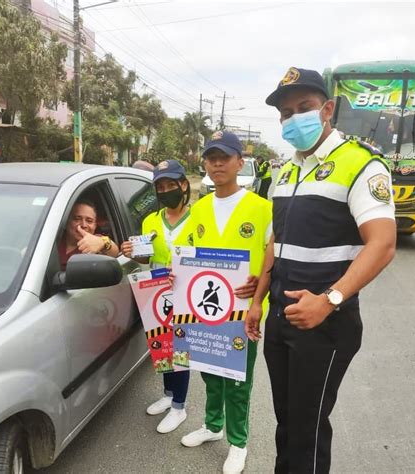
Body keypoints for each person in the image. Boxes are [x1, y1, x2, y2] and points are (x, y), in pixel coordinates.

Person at [245, 67, 396, 473]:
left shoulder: (361, 164)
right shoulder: (286, 170)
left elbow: (382, 244)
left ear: (327, 109)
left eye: (304, 108)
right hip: (280, 319)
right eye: (286, 113)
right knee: (286, 423)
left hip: (324, 324)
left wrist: (329, 301)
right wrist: (258, 299)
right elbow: (275, 242)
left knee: (307, 429)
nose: (294, 119)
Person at [176, 131, 273, 474]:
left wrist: (259, 291)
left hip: (241, 313)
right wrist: (177, 276)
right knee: (210, 375)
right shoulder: (199, 209)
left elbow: (273, 260)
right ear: (204, 163)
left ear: (239, 162)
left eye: (224, 157)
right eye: (211, 157)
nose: (217, 163)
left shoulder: (262, 209)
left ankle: (238, 442)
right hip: (203, 310)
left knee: (237, 381)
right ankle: (213, 426)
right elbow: (186, 256)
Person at [121, 159, 192, 434]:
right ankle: (168, 394)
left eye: (170, 185)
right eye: (160, 187)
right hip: (156, 291)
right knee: (161, 347)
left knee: (180, 352)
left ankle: (180, 407)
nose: (165, 191)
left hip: (185, 294)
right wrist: (131, 251)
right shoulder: (151, 220)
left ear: (184, 185)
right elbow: (145, 256)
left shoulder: (198, 219)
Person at [59, 200, 119, 270]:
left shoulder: (96, 241)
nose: (83, 225)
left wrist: (103, 242)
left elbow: (114, 252)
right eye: (77, 219)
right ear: (66, 222)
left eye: (89, 221)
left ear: (95, 226)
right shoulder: (52, 238)